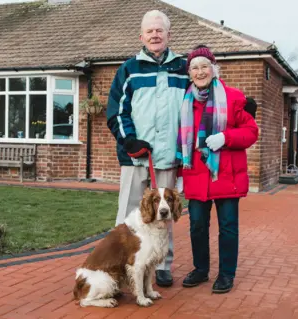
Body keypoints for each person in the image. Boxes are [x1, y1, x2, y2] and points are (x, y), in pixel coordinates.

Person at [106, 10, 188, 287]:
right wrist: (129, 139)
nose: (155, 35)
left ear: (168, 35)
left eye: (160, 30)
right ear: (141, 36)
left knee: (164, 215)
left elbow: (204, 98)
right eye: (150, 31)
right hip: (134, 156)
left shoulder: (183, 68)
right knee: (128, 214)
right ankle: (120, 263)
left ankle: (162, 265)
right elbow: (117, 110)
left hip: (167, 158)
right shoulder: (129, 69)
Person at [176, 45, 259, 293]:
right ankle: (201, 269)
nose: (200, 72)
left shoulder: (234, 97)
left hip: (226, 175)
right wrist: (180, 174)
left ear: (213, 69)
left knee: (228, 227)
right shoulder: (184, 101)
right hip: (195, 175)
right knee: (197, 226)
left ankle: (226, 274)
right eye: (195, 68)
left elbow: (251, 131)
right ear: (189, 73)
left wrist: (225, 137)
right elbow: (179, 139)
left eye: (204, 66)